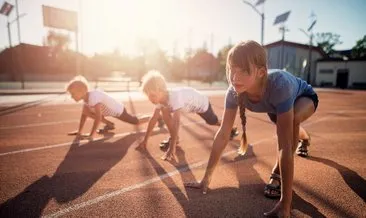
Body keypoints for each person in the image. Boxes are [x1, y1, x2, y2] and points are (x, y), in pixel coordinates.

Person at [185, 40, 319, 217]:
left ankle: (277, 173)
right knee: (288, 125)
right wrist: (206, 178)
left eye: (243, 70)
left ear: (261, 72)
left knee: (291, 123)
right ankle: (304, 137)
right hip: (276, 106)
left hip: (303, 97)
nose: (234, 77)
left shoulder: (280, 85)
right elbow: (223, 133)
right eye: (232, 69)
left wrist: (285, 205)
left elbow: (284, 147)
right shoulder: (233, 92)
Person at [137, 70, 239, 161]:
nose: (150, 99)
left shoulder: (175, 97)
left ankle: (230, 128)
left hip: (202, 104)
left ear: (161, 90)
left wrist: (171, 148)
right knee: (164, 111)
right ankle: (175, 137)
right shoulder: (160, 100)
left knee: (212, 121)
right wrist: (145, 140)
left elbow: (176, 122)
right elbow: (153, 119)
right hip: (191, 105)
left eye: (152, 95)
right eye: (148, 96)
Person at [66, 75, 155, 140]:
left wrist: (91, 135)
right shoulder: (86, 99)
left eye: (73, 94)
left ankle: (156, 117)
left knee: (136, 121)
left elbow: (98, 117)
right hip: (108, 112)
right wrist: (79, 131)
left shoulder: (93, 98)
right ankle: (110, 124)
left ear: (82, 91)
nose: (71, 96)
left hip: (118, 111)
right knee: (86, 111)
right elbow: (84, 115)